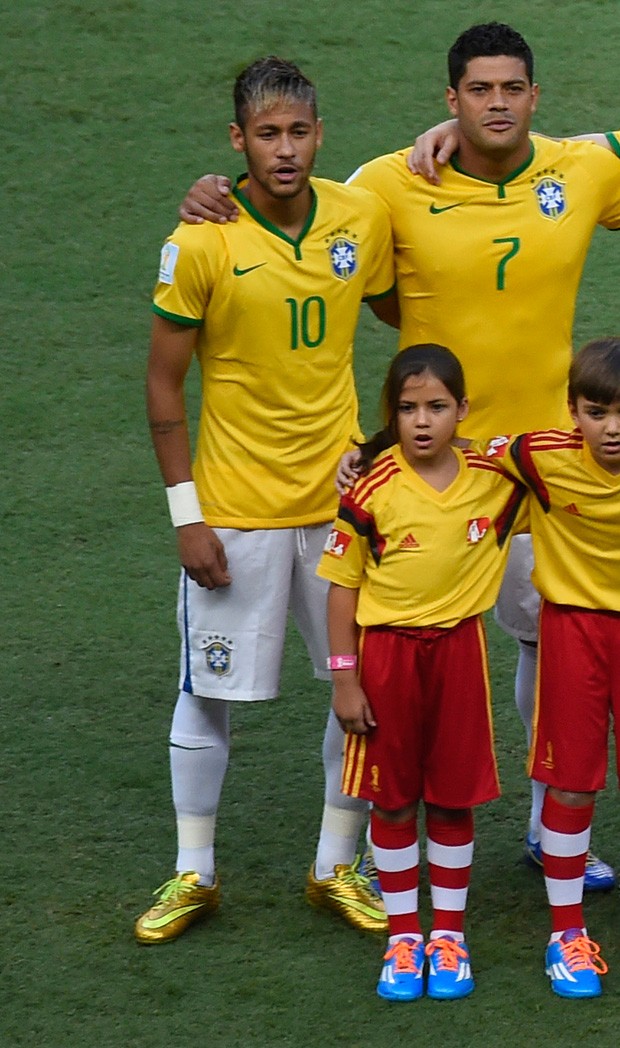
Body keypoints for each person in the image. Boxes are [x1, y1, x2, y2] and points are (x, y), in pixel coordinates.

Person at [175, 21, 620, 890]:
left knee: (546, 639)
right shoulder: (387, 181)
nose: (497, 103)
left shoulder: (585, 165)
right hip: (429, 466)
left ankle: (545, 825)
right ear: (448, 100)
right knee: (409, 648)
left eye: (512, 89)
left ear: (535, 96)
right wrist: (209, 193)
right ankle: (385, 851)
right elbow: (297, 209)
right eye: (478, 91)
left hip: (544, 466)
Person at [135, 56, 399, 944]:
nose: (284, 150)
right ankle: (193, 873)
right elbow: (164, 388)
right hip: (236, 514)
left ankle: (337, 865)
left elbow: (411, 300)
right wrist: (187, 516)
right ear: (237, 141)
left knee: (355, 689)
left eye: (298, 132)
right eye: (266, 134)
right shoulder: (201, 239)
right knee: (205, 694)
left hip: (341, 508)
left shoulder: (360, 215)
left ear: (321, 134)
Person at [316, 344, 526, 1001]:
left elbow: (558, 465)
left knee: (453, 797)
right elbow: (341, 590)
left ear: (462, 410)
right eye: (407, 408)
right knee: (394, 797)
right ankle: (405, 937)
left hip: (460, 653)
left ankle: (450, 937)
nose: (423, 420)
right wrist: (345, 678)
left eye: (437, 406)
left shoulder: (496, 481)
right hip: (386, 659)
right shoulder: (371, 490)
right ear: (392, 415)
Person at [484, 337, 620, 998]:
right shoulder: (537, 455)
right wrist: (361, 460)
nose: (612, 427)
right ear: (573, 412)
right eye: (597, 411)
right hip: (574, 635)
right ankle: (566, 933)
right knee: (572, 785)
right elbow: (452, 451)